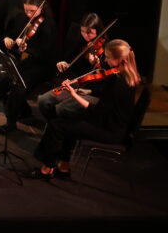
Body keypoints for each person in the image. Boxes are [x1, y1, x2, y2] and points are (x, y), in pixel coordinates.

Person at [29, 40, 141, 180]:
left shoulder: (118, 82)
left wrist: (73, 94)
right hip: (112, 124)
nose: (105, 60)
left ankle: (46, 170)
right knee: (66, 120)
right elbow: (107, 100)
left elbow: (97, 111)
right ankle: (63, 168)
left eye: (107, 57)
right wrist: (82, 90)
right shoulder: (126, 76)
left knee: (57, 126)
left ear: (119, 59)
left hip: (109, 130)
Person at [0, 0, 56, 134]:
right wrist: (7, 38)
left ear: (41, 8)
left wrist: (27, 48)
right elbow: (9, 33)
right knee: (4, 79)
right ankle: (23, 111)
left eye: (32, 11)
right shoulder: (22, 18)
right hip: (28, 61)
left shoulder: (47, 25)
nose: (29, 14)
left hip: (42, 65)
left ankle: (11, 123)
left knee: (19, 84)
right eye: (26, 10)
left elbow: (45, 53)